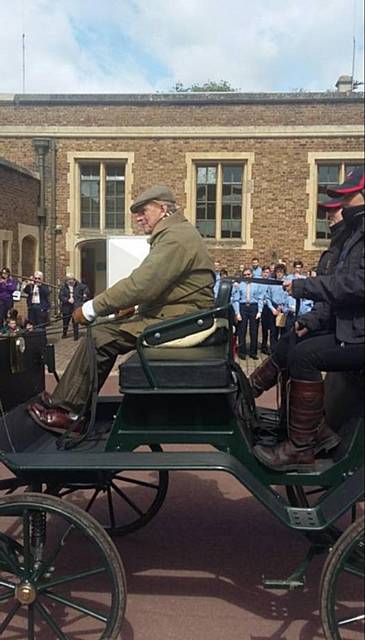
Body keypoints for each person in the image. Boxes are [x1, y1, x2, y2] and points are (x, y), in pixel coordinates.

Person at [28, 185, 215, 431]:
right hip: (180, 312)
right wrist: (132, 306)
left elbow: (141, 284)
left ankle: (71, 412)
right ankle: (67, 399)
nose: (138, 218)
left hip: (185, 319)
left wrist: (91, 309)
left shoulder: (176, 237)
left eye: (143, 211)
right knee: (104, 330)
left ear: (162, 208)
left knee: (99, 336)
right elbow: (163, 286)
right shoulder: (176, 233)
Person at [253, 167, 365, 471]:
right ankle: (311, 431)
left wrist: (306, 286)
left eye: (347, 196)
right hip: (352, 329)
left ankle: (302, 448)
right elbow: (340, 293)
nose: (340, 206)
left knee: (304, 356)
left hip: (358, 335)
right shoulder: (354, 234)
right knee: (294, 341)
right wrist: (312, 321)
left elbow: (357, 284)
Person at [232, 267, 264, 359]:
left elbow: (260, 298)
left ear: (252, 275)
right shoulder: (240, 285)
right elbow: (236, 299)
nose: (247, 276)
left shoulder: (257, 285)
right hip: (243, 307)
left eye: (248, 274)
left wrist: (260, 311)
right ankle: (242, 352)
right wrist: (237, 313)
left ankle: (253, 352)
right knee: (242, 331)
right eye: (245, 275)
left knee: (254, 331)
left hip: (254, 307)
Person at [59, 274, 90, 340]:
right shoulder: (63, 287)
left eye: (72, 280)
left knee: (75, 321)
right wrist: (67, 300)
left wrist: (85, 294)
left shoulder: (79, 285)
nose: (71, 282)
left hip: (76, 306)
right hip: (67, 307)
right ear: (66, 281)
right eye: (69, 280)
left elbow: (86, 289)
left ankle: (76, 335)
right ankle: (64, 333)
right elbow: (61, 296)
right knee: (65, 321)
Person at [265, 263, 289, 349]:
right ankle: (273, 350)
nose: (279, 274)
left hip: (283, 309)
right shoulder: (272, 283)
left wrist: (282, 307)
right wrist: (272, 309)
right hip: (273, 309)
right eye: (278, 272)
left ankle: (281, 350)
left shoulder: (286, 283)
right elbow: (267, 297)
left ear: (284, 273)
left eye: (281, 272)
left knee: (283, 332)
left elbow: (288, 296)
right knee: (273, 332)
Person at [259, 266, 272, 355]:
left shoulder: (271, 282)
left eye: (267, 272)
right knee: (264, 328)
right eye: (264, 272)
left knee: (272, 328)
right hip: (262, 306)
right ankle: (263, 346)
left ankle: (271, 346)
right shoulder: (259, 282)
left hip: (270, 307)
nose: (265, 274)